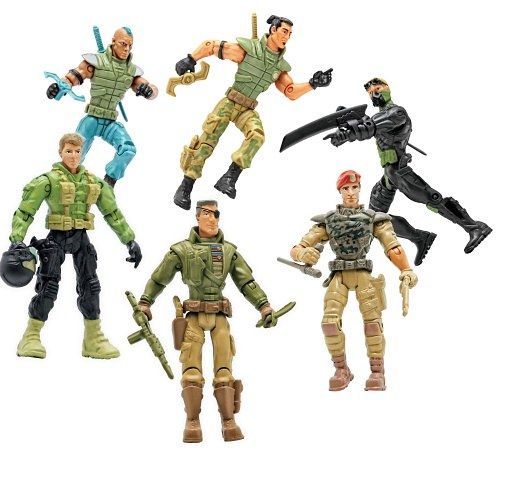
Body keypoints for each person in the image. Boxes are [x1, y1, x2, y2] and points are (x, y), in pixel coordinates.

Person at [135, 200, 287, 442]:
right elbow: (159, 278)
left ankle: (228, 420)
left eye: (216, 214)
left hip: (219, 316)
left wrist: (264, 306)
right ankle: (192, 421)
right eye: (206, 214)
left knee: (224, 370)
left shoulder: (228, 251)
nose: (212, 219)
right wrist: (145, 302)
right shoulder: (181, 250)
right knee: (191, 370)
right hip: (193, 316)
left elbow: (246, 282)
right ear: (197, 217)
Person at [5, 133, 142, 359]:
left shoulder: (93, 182)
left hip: (81, 238)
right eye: (69, 151)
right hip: (56, 238)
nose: (73, 156)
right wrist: (17, 239)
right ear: (60, 152)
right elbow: (25, 211)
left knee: (91, 286)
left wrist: (129, 240)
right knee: (48, 286)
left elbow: (112, 212)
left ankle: (93, 338)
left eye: (78, 151)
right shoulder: (48, 181)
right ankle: (30, 336)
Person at [173, 15, 332, 209]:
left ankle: (229, 178)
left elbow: (290, 91)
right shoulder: (250, 50)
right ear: (273, 30)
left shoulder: (279, 66)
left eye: (290, 34)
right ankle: (185, 187)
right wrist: (191, 59)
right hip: (230, 102)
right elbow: (212, 46)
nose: (287, 37)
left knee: (257, 136)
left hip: (248, 109)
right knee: (207, 141)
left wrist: (313, 84)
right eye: (284, 31)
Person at [324, 78, 491, 262]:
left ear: (387, 89)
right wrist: (349, 120)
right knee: (375, 218)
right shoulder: (379, 116)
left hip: (399, 171)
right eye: (370, 93)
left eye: (377, 89)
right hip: (388, 174)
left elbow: (369, 127)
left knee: (433, 199)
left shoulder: (396, 113)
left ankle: (475, 227)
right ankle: (420, 238)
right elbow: (368, 124)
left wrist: (347, 134)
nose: (374, 94)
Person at [289, 170, 417, 391]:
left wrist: (406, 269)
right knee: (329, 324)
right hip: (338, 275)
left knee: (373, 324)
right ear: (340, 191)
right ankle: (341, 370)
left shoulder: (373, 218)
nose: (350, 192)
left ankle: (377, 372)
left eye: (354, 187)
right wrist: (303, 254)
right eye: (345, 188)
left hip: (363, 275)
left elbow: (392, 245)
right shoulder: (328, 220)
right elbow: (298, 247)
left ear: (359, 189)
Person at [46, 27, 158, 186]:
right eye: (123, 44)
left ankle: (109, 182)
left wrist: (149, 91)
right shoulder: (97, 62)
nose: (127, 49)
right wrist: (59, 87)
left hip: (110, 123)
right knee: (75, 152)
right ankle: (63, 181)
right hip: (92, 119)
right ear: (113, 42)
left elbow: (151, 90)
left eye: (130, 46)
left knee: (128, 150)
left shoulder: (131, 71)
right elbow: (75, 76)